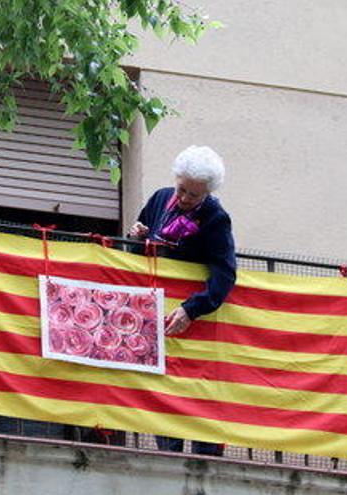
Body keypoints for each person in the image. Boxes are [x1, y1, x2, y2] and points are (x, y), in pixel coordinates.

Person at [128, 145, 236, 456]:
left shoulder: (216, 219)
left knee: (199, 393)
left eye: (194, 195)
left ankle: (205, 461)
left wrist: (193, 308)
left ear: (208, 193)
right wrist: (137, 238)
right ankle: (169, 455)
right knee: (165, 391)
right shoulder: (161, 198)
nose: (185, 198)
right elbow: (136, 255)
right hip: (157, 314)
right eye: (182, 189)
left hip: (192, 319)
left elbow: (225, 274)